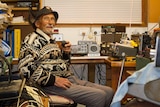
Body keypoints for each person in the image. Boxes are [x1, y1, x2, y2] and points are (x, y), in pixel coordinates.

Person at [18, 6, 114, 107]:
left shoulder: (50, 41)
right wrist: (54, 80)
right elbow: (25, 68)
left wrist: (65, 53)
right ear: (37, 23)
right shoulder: (32, 40)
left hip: (67, 79)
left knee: (109, 92)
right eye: (46, 19)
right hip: (49, 85)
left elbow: (63, 65)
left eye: (53, 19)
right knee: (98, 96)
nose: (51, 22)